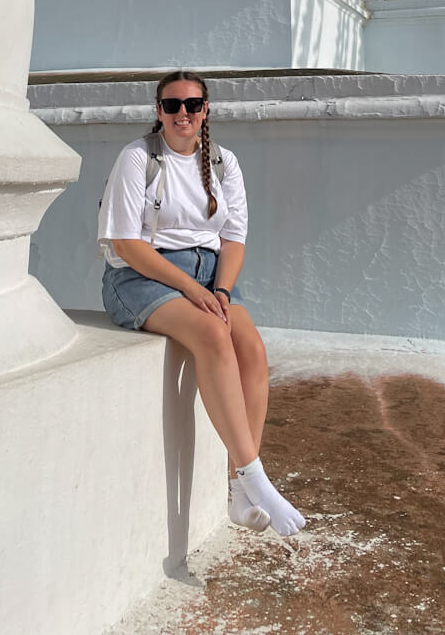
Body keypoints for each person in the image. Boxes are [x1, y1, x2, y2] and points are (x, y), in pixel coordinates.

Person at [97, 69, 306, 538]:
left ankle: (236, 489)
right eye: (172, 106)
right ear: (159, 111)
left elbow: (233, 240)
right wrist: (192, 291)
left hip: (210, 277)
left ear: (206, 110)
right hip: (140, 277)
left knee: (249, 345)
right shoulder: (139, 158)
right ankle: (256, 478)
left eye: (192, 105)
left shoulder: (223, 164)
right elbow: (127, 243)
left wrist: (222, 292)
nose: (182, 114)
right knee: (212, 333)